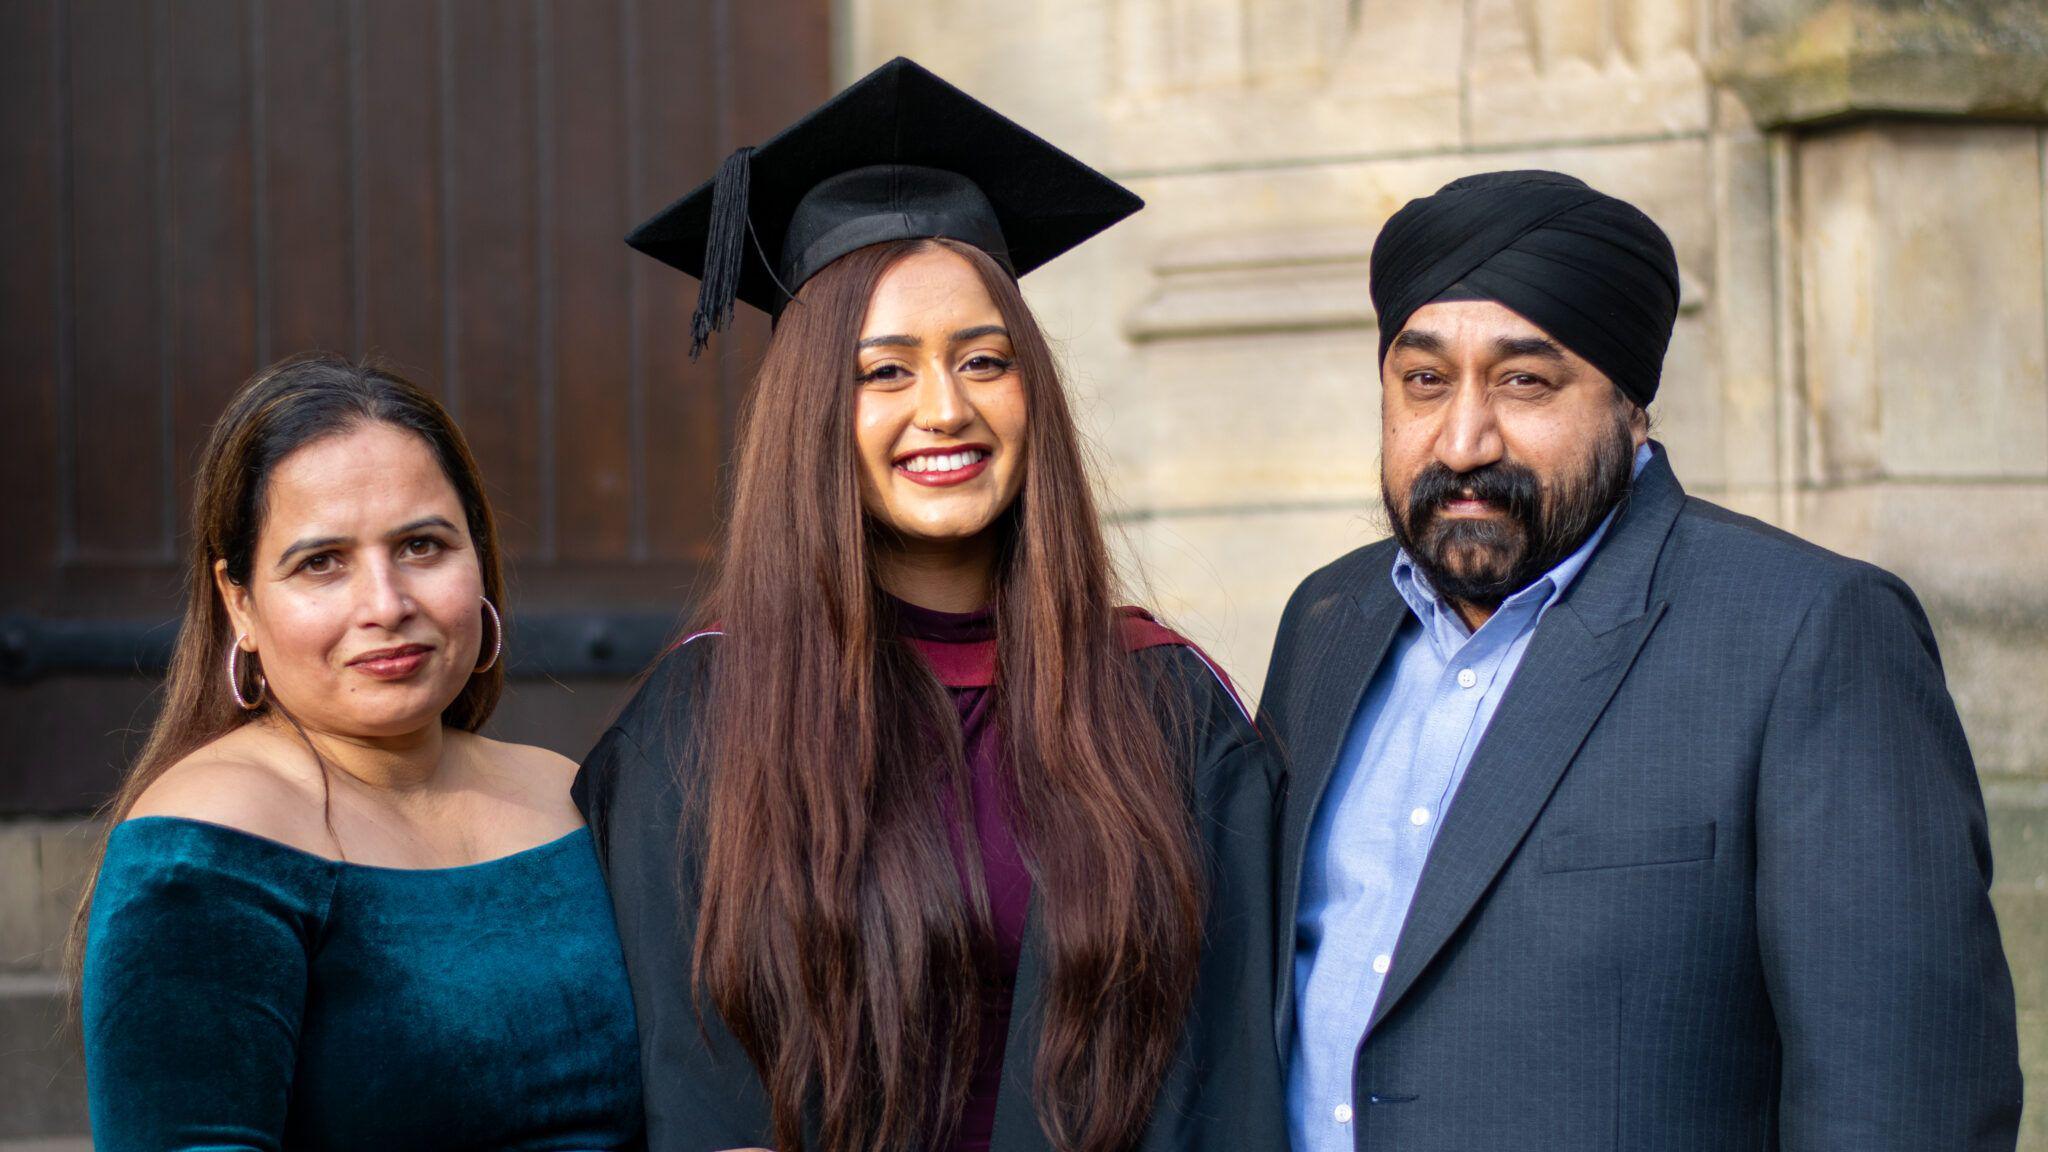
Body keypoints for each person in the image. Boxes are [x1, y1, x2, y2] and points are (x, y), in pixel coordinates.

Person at [574, 57, 1286, 1152]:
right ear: (815, 409)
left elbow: (1225, 1085)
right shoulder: (705, 720)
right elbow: (690, 1084)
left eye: (983, 360)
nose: (944, 410)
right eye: (884, 372)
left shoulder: (1164, 709)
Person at [1263, 170, 2023, 1151]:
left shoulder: (1808, 633)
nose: (1459, 439)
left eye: (1522, 381)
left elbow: (1902, 1103)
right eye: (1422, 382)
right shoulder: (1327, 620)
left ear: (1629, 405)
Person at [72, 354, 643, 1151]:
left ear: (478, 560)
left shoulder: (566, 792)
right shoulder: (201, 851)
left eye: (422, 546)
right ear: (240, 603)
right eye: (322, 562)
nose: (386, 604)